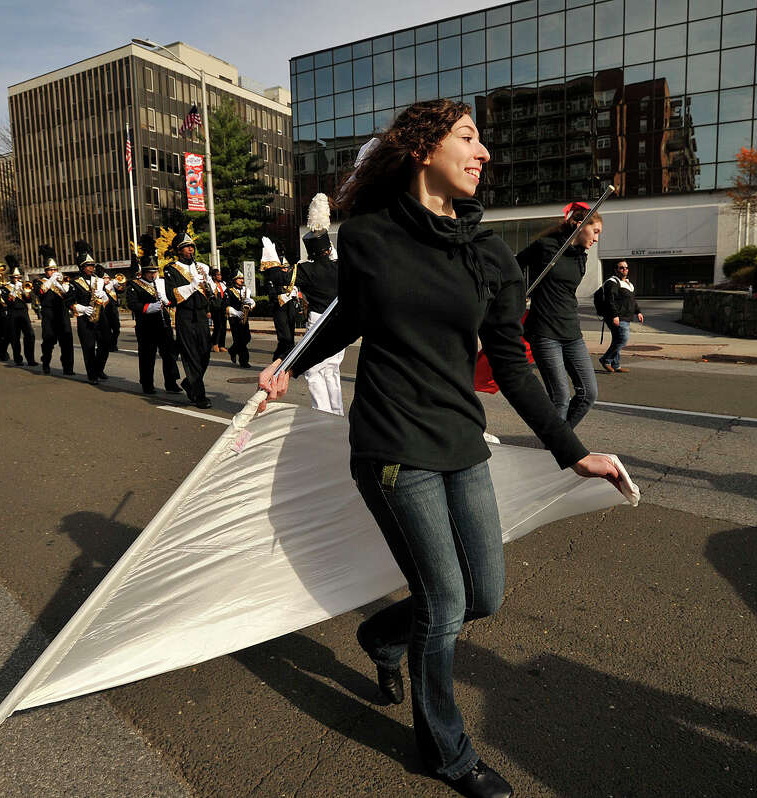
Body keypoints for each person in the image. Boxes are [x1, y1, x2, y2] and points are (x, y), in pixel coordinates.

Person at [257, 99, 622, 798]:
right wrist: (291, 366)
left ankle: (382, 639)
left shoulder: (488, 254)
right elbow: (351, 319)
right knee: (445, 600)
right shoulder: (367, 237)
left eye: (482, 141)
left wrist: (570, 450)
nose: (483, 152)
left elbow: (511, 366)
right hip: (393, 444)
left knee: (483, 595)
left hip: (461, 438)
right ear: (424, 149)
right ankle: (446, 754)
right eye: (468, 137)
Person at [518, 202, 600, 426]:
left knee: (588, 394)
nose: (596, 239)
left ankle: (560, 443)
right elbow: (514, 265)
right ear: (580, 224)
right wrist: (517, 294)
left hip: (572, 332)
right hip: (544, 332)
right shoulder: (546, 246)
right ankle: (554, 451)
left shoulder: (581, 256)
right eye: (595, 232)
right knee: (561, 398)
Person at [296, 193, 345, 415]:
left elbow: (279, 279)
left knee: (314, 369)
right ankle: (336, 410)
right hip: (339, 320)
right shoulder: (341, 266)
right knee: (332, 369)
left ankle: (321, 412)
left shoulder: (305, 269)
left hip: (317, 320)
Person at [126, 235, 182, 395]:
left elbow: (171, 299)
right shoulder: (134, 285)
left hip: (163, 325)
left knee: (169, 355)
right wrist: (149, 307)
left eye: (155, 271)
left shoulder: (161, 283)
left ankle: (171, 383)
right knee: (147, 357)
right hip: (146, 326)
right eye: (150, 272)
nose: (153, 274)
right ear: (143, 271)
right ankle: (147, 384)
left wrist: (168, 301)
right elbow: (132, 304)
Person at [163, 231, 214, 408]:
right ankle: (199, 396)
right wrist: (192, 286)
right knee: (191, 355)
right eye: (186, 247)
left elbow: (209, 291)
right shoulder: (171, 268)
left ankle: (189, 382)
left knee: (205, 353)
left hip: (200, 315)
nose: (190, 249)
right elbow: (171, 294)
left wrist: (210, 285)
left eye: (192, 246)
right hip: (185, 315)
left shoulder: (201, 267)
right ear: (179, 250)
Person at [67, 240, 107, 384]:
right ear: (82, 267)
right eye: (89, 266)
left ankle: (99, 368)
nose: (92, 268)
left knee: (105, 343)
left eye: (93, 265)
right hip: (84, 318)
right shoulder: (75, 282)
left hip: (100, 316)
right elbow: (70, 303)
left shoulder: (99, 280)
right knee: (89, 347)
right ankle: (92, 375)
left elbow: (107, 298)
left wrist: (104, 296)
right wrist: (83, 308)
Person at [598, 260, 644, 374]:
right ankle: (605, 359)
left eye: (626, 268)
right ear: (616, 270)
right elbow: (610, 300)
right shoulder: (612, 282)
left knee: (617, 340)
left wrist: (638, 312)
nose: (625, 270)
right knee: (623, 339)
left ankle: (616, 365)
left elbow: (632, 300)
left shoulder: (628, 283)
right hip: (617, 317)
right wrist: (614, 315)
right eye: (621, 268)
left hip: (625, 317)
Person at [36, 245, 75, 376]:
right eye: (50, 270)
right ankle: (46, 363)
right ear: (45, 271)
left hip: (62, 314)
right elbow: (40, 292)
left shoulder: (61, 281)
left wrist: (64, 286)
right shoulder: (39, 281)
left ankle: (68, 367)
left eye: (55, 269)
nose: (53, 271)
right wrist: (52, 280)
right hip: (48, 314)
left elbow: (69, 296)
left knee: (67, 341)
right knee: (48, 340)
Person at [262, 239, 298, 360]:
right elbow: (272, 296)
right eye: (283, 268)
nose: (285, 270)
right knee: (285, 337)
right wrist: (286, 296)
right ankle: (278, 359)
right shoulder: (272, 279)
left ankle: (286, 360)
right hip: (279, 309)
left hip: (290, 308)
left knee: (291, 337)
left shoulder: (290, 279)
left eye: (286, 268)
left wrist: (295, 293)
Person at [4, 256, 38, 367]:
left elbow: (29, 300)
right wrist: (14, 290)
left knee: (30, 335)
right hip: (12, 313)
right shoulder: (6, 288)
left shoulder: (24, 286)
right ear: (11, 277)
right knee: (15, 337)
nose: (17, 279)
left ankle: (30, 359)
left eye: (18, 277)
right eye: (15, 277)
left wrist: (24, 291)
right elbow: (7, 302)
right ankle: (18, 358)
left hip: (23, 312)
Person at [225, 271, 255, 368]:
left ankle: (232, 350)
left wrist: (251, 302)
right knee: (239, 340)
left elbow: (252, 304)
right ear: (234, 280)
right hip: (234, 318)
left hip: (244, 317)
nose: (242, 280)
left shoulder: (246, 290)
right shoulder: (229, 291)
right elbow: (225, 306)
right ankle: (244, 361)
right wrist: (236, 313)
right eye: (239, 279)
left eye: (242, 279)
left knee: (247, 338)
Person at [208, 267, 228, 353]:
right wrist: (208, 310)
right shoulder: (211, 285)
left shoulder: (223, 284)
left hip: (223, 308)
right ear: (214, 276)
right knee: (218, 326)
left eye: (220, 275)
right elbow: (208, 299)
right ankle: (214, 343)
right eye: (218, 275)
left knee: (224, 327)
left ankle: (221, 345)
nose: (220, 276)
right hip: (215, 308)